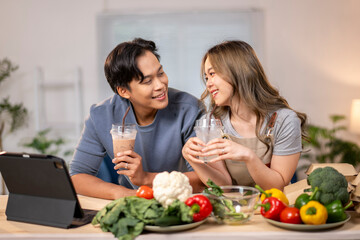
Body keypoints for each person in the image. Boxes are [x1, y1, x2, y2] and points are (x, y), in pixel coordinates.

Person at [70, 38, 205, 199]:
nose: (160, 85)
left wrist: (146, 179)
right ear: (123, 91)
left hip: (181, 201)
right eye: (147, 81)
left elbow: (205, 179)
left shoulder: (189, 109)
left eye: (160, 73)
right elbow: (78, 176)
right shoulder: (101, 116)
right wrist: (127, 194)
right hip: (132, 202)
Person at [182, 40, 307, 191]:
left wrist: (249, 157)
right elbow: (224, 187)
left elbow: (277, 185)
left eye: (212, 74)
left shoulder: (284, 120)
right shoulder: (210, 123)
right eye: (206, 77)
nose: (208, 84)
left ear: (237, 71)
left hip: (274, 207)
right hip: (233, 211)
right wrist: (194, 160)